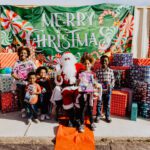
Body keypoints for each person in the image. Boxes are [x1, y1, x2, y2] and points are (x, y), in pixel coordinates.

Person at [55, 52, 84, 127]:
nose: (67, 60)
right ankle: (71, 119)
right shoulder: (60, 69)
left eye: (69, 58)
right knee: (67, 102)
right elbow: (58, 82)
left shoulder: (77, 67)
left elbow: (84, 74)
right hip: (66, 87)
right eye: (66, 59)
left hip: (76, 87)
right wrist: (58, 78)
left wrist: (80, 79)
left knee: (79, 98)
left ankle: (78, 119)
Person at [76, 54, 100, 132]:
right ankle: (82, 124)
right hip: (83, 93)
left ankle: (92, 123)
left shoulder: (93, 73)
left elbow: (94, 83)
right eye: (85, 63)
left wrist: (95, 84)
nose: (87, 65)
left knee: (90, 108)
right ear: (83, 63)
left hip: (90, 92)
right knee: (82, 108)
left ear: (91, 64)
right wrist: (78, 82)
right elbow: (78, 83)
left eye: (88, 63)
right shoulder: (81, 73)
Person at [11, 46, 37, 117]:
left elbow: (36, 70)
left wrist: (34, 79)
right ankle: (24, 111)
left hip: (30, 83)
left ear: (27, 54)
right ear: (19, 54)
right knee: (22, 98)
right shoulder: (17, 63)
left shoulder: (30, 62)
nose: (23, 54)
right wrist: (19, 78)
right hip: (20, 84)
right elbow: (12, 73)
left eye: (25, 53)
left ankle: (31, 110)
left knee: (29, 97)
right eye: (21, 53)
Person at [95, 55, 115, 123]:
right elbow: (96, 80)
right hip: (100, 90)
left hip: (108, 90)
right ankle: (98, 115)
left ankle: (107, 116)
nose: (104, 62)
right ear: (100, 62)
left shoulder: (110, 71)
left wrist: (111, 85)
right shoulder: (98, 71)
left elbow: (112, 79)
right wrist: (96, 84)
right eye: (102, 60)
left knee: (107, 104)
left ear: (108, 62)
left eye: (106, 60)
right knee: (99, 103)